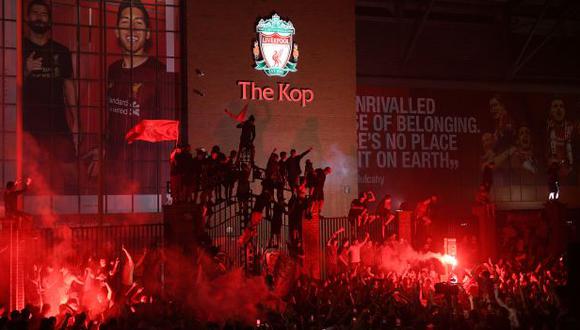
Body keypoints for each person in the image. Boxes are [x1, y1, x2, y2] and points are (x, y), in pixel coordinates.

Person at [105, 0, 173, 194]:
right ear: (117, 31)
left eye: (139, 23)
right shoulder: (113, 70)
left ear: (148, 33)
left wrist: (141, 130)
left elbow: (172, 128)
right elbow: (112, 117)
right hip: (114, 168)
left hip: (145, 170)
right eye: (125, 22)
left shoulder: (160, 73)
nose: (132, 28)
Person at [23, 0, 77, 192]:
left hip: (57, 123)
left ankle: (68, 216)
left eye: (44, 14)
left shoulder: (61, 51)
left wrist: (76, 120)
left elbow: (68, 84)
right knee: (30, 176)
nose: (39, 17)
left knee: (70, 174)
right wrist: (26, 70)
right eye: (35, 13)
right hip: (28, 126)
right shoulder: (18, 48)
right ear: (27, 18)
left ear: (50, 21)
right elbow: (7, 83)